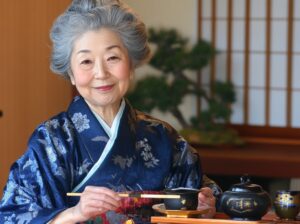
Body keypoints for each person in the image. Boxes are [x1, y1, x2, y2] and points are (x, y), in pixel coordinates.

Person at [0, 0, 221, 223]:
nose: (101, 72)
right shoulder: (52, 141)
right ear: (72, 74)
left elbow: (196, 199)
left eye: (112, 57)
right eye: (86, 61)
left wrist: (203, 209)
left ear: (131, 63)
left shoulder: (163, 138)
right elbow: (14, 216)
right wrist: (74, 213)